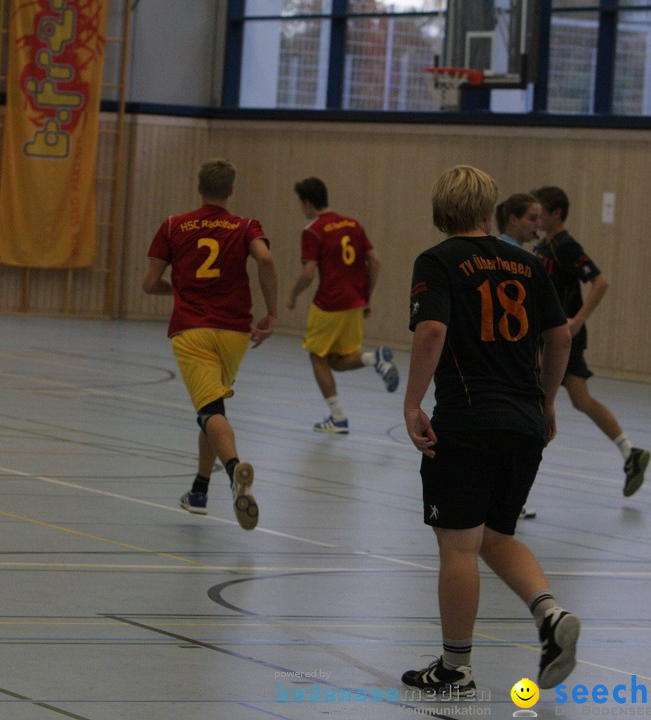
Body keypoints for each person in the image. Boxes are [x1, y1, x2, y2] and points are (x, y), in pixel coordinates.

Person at [402, 165, 579, 695]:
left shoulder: (438, 260)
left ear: (442, 207)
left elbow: (432, 329)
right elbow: (562, 337)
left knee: (458, 544)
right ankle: (549, 613)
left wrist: (412, 402)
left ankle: (455, 668)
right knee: (498, 535)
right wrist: (546, 402)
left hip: (469, 421)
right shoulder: (528, 263)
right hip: (524, 422)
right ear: (487, 208)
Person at [142, 158, 278, 531]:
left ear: (198, 187)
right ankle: (199, 491)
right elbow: (265, 258)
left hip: (192, 329)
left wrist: (179, 289)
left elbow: (150, 283)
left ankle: (234, 471)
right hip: (234, 332)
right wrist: (272, 313)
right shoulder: (245, 226)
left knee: (209, 409)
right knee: (211, 406)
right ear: (231, 191)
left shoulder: (173, 225)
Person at [530, 186, 650, 497]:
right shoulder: (544, 246)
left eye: (540, 210)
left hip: (561, 336)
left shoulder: (566, 246)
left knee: (534, 399)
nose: (537, 216)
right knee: (581, 400)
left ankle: (515, 488)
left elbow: (600, 281)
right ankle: (630, 453)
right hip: (551, 334)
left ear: (556, 213)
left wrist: (579, 319)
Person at [285, 177, 399, 434]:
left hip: (329, 304)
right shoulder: (353, 224)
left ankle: (338, 418)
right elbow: (375, 261)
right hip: (355, 303)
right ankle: (374, 359)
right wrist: (366, 296)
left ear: (307, 202)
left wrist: (292, 295)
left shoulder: (313, 230)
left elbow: (308, 274)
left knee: (317, 357)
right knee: (336, 360)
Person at [495, 192, 543, 520]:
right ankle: (506, 498)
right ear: (513, 218)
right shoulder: (513, 259)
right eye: (531, 218)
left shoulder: (521, 256)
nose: (537, 226)